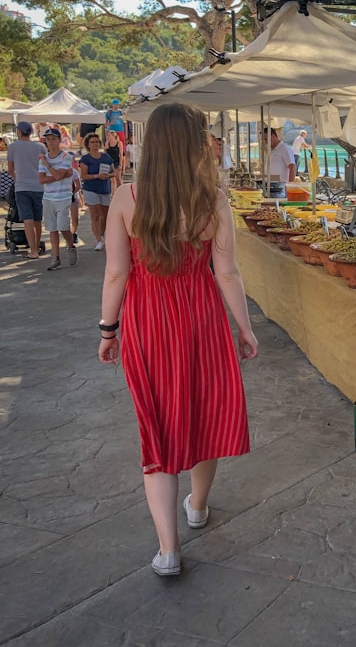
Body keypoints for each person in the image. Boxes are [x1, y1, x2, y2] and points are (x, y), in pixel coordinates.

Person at [97, 102, 258, 578]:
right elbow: (226, 273)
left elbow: (115, 275)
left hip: (149, 321)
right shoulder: (214, 200)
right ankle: (198, 505)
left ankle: (168, 551)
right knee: (205, 412)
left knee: (159, 425)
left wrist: (109, 331)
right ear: (194, 145)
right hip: (202, 317)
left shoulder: (126, 198)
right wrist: (244, 329)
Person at [37, 128, 77, 270]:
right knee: (52, 228)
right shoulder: (43, 158)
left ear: (59, 140)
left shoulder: (65, 157)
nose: (51, 142)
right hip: (48, 197)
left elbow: (59, 176)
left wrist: (49, 167)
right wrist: (60, 175)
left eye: (53, 139)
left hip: (63, 196)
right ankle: (56, 258)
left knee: (63, 226)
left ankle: (71, 245)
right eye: (48, 139)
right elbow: (41, 179)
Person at [7, 121, 45, 259]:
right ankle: (37, 246)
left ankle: (33, 250)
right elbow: (45, 165)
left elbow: (10, 169)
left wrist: (18, 179)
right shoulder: (40, 146)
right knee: (37, 219)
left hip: (22, 186)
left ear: (19, 132)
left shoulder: (13, 147)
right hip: (39, 186)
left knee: (27, 218)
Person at [78, 133, 114, 250]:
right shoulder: (85, 159)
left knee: (105, 216)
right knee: (96, 215)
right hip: (91, 189)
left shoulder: (106, 157)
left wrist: (108, 175)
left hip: (104, 188)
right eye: (92, 142)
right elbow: (83, 175)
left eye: (97, 142)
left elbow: (114, 172)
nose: (95, 144)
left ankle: (104, 235)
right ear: (88, 145)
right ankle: (98, 240)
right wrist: (96, 176)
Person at [264, 127, 294, 198]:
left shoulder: (284, 149)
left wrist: (290, 186)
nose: (265, 142)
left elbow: (292, 167)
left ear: (273, 136)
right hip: (270, 185)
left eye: (266, 139)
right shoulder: (271, 150)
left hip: (280, 187)